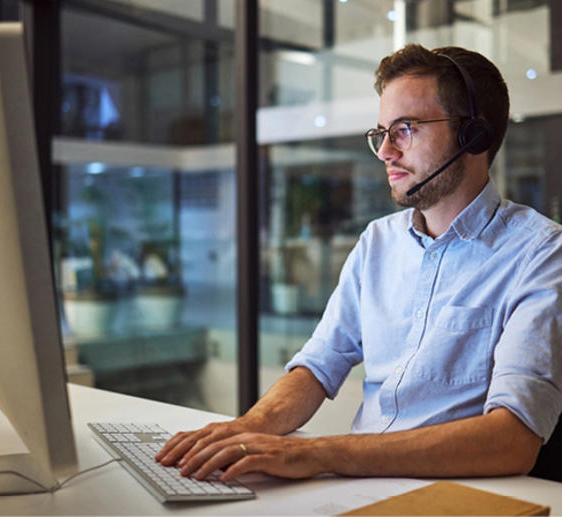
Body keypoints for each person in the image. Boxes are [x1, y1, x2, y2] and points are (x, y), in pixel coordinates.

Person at [156, 44, 562, 482]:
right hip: (360, 488)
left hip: (453, 497)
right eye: (382, 132)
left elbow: (513, 440)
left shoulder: (539, 253)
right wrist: (243, 430)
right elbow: (317, 365)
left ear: (473, 137)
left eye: (405, 129)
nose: (386, 151)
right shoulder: (378, 242)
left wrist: (318, 455)